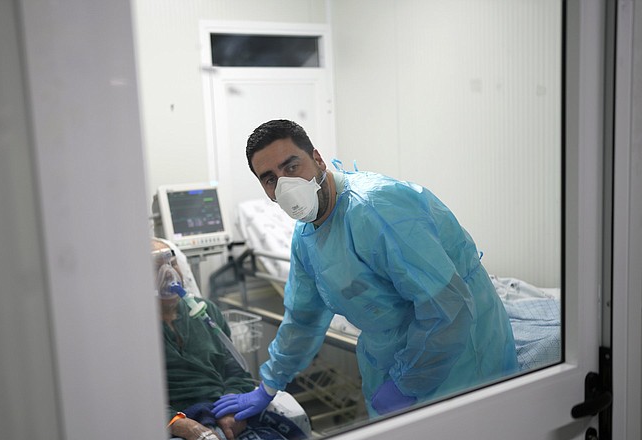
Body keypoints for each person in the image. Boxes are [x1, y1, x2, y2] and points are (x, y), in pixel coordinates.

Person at [213, 119, 517, 421]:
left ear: (317, 159)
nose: (285, 186)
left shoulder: (378, 208)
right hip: (390, 355)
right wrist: (268, 387)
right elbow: (303, 318)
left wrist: (407, 383)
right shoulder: (305, 236)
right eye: (270, 179)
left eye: (291, 167)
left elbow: (448, 308)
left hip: (461, 355)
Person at [153, 239, 305, 440]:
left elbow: (237, 372)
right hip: (172, 429)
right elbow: (130, 400)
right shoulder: (129, 332)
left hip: (223, 415)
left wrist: (233, 410)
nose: (169, 273)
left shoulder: (206, 312)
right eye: (156, 268)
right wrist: (177, 423)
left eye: (172, 263)